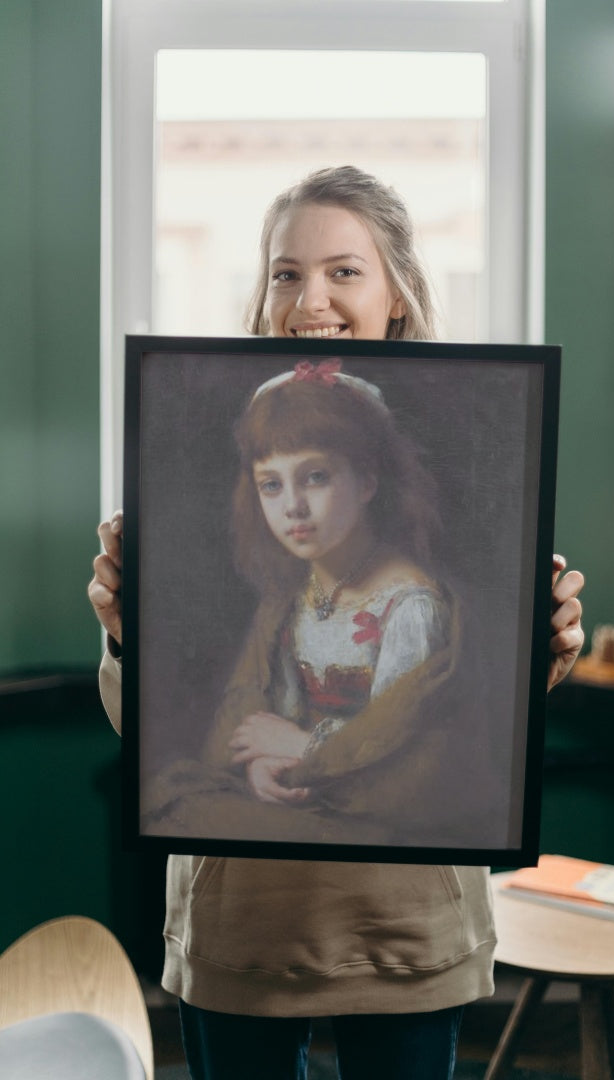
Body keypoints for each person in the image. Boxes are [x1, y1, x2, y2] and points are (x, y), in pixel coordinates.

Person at [89, 165, 585, 1080]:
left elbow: (456, 729)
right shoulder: (279, 593)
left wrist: (536, 656)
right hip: (243, 920)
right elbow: (158, 729)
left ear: (397, 291)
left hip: (399, 922)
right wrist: (128, 636)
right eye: (285, 272)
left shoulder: (427, 583)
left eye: (343, 271)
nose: (308, 297)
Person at [141, 358, 501, 850]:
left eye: (315, 477)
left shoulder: (411, 607)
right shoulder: (291, 598)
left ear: (368, 480)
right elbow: (263, 720)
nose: (292, 506)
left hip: (373, 814)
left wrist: (300, 749)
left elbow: (397, 756)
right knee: (175, 802)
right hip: (299, 798)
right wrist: (262, 765)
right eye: (272, 484)